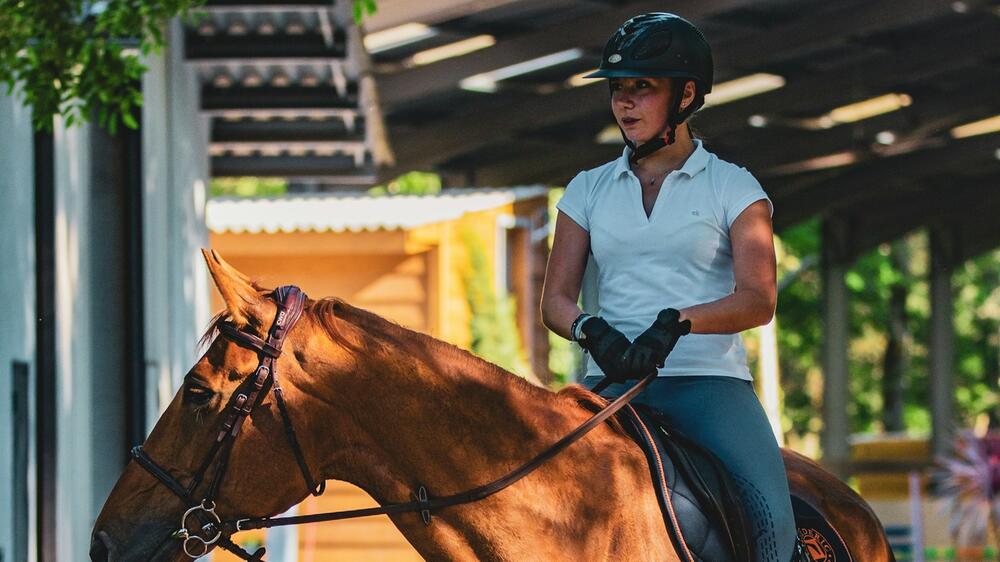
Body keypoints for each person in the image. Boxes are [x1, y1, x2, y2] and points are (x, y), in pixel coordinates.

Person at [540, 13, 800, 562]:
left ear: (685, 95)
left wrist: (679, 323)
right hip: (610, 384)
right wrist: (590, 329)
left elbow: (759, 299)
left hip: (708, 382)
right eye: (617, 89)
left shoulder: (733, 185)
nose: (625, 103)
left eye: (642, 87)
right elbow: (555, 301)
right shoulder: (586, 189)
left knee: (772, 521)